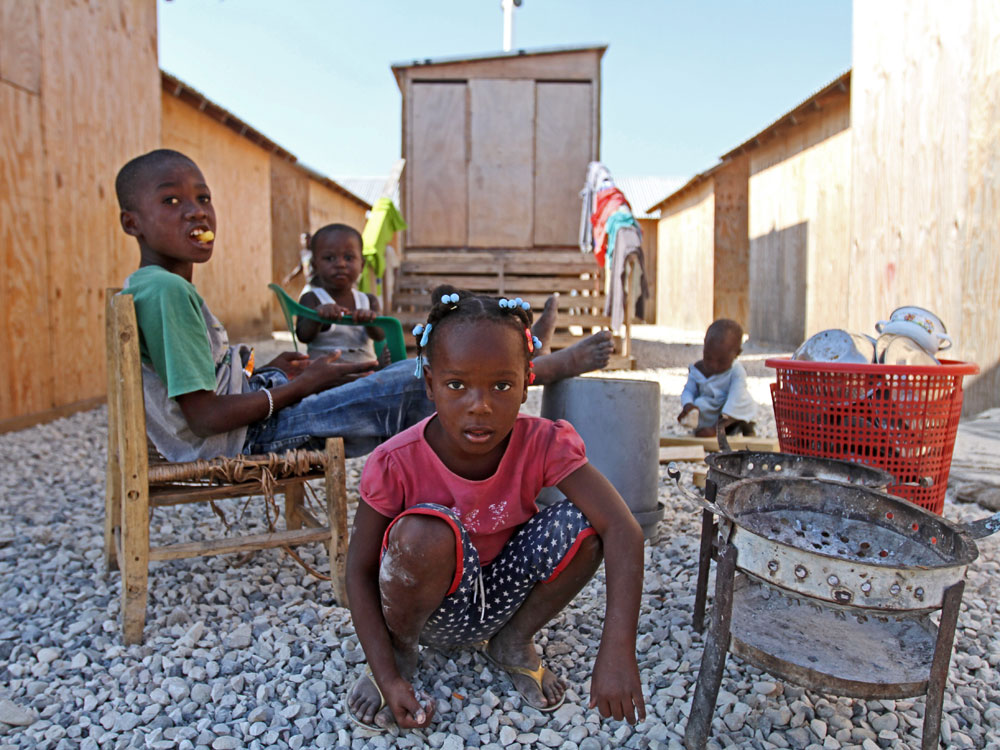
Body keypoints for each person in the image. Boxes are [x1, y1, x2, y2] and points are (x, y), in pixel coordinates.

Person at [114, 149, 616, 463]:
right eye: (172, 201)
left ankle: (513, 348)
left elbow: (202, 389)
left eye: (202, 197)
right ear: (131, 222)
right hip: (243, 439)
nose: (197, 210)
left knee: (366, 372)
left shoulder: (155, 286)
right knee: (408, 380)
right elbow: (203, 419)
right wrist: (300, 386)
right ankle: (536, 365)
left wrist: (272, 373)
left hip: (248, 413)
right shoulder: (166, 291)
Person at [345, 286, 646, 732]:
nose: (480, 405)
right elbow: (358, 570)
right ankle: (400, 655)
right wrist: (385, 673)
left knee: (587, 523)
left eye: (502, 385)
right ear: (430, 383)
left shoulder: (543, 443)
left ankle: (512, 642)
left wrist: (618, 649)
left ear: (528, 381)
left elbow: (624, 529)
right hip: (429, 613)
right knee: (425, 533)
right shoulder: (395, 462)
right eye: (456, 385)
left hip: (504, 598)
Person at [296, 223, 388, 366]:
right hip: (325, 379)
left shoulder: (369, 301)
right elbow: (303, 336)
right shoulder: (312, 298)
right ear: (314, 266)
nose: (340, 264)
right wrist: (317, 317)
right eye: (330, 258)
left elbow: (381, 335)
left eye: (349, 257)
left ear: (362, 265)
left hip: (365, 376)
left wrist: (370, 320)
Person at [677, 318, 756, 437]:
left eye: (721, 361)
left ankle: (744, 427)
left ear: (737, 354)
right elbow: (688, 390)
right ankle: (705, 428)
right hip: (711, 409)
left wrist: (716, 429)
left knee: (744, 402)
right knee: (700, 404)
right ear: (704, 345)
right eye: (708, 357)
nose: (713, 365)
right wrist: (688, 405)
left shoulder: (736, 371)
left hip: (731, 411)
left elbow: (735, 399)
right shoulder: (697, 369)